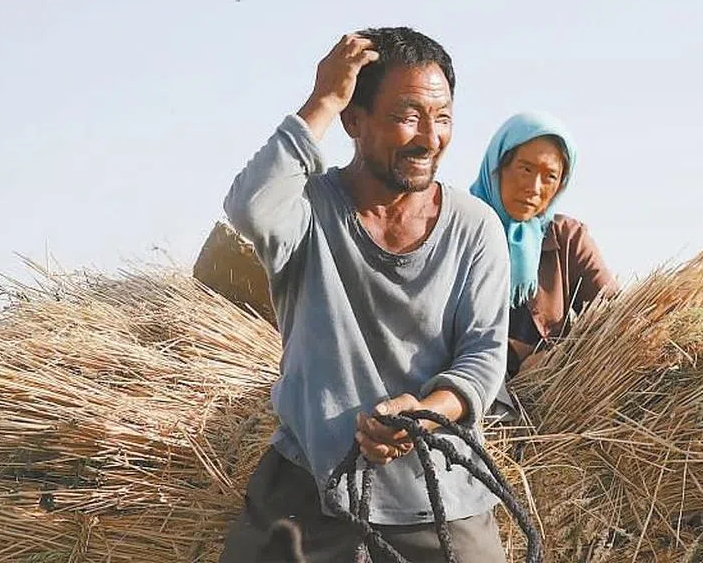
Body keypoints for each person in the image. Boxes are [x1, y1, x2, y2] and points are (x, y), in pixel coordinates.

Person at [218, 28, 511, 563]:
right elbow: (250, 207)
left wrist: (423, 416)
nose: (429, 137)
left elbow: (483, 357)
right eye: (407, 116)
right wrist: (324, 99)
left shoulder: (475, 228)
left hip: (437, 496)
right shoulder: (307, 213)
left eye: (443, 117)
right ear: (354, 121)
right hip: (311, 487)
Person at [470, 113, 618, 379]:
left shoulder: (567, 238)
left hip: (548, 391)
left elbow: (614, 315)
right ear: (498, 166)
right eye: (525, 169)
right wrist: (512, 358)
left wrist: (559, 357)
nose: (534, 187)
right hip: (464, 388)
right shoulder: (461, 230)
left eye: (550, 176)